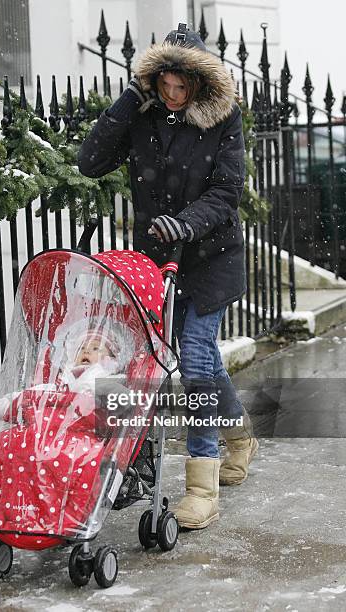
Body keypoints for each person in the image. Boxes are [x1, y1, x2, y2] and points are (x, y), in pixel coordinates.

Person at [78, 23, 258, 530]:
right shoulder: (142, 114)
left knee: (197, 354)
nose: (174, 96)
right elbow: (90, 163)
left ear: (200, 84)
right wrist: (126, 104)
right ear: (155, 80)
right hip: (156, 255)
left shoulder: (223, 119)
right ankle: (239, 433)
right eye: (165, 85)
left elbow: (226, 192)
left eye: (184, 87)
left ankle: (201, 487)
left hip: (209, 254)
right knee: (183, 358)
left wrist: (187, 222)